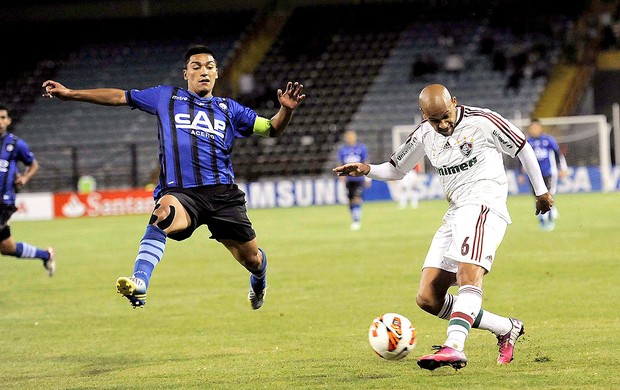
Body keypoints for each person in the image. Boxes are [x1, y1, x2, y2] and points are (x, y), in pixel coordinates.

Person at [42, 45, 305, 310]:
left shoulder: (230, 109)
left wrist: (287, 111)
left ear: (216, 74)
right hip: (181, 193)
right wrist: (71, 93)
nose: (204, 71)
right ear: (185, 74)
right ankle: (140, 281)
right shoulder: (166, 97)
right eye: (196, 67)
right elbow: (120, 97)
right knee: (162, 215)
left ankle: (259, 282)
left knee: (253, 260)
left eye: (210, 67)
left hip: (223, 195)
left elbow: (271, 128)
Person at [333, 84, 553, 370]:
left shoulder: (483, 121)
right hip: (455, 213)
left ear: (455, 103)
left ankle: (454, 346)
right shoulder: (424, 134)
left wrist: (541, 191)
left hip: (485, 206)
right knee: (428, 297)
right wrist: (367, 169)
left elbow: (522, 145)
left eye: (446, 116)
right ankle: (505, 327)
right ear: (424, 116)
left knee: (467, 275)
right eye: (435, 120)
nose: (443, 124)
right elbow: (396, 169)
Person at [0, 104, 56, 276]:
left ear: (8, 120)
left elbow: (33, 164)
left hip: (4, 202)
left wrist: (24, 178)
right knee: (7, 248)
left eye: (2, 117)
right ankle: (46, 255)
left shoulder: (16, 144)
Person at [519, 118, 568, 231]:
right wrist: (520, 173)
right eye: (533, 127)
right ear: (529, 129)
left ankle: (550, 220)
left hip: (548, 173)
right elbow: (520, 158)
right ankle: (542, 220)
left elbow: (557, 154)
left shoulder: (548, 140)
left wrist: (562, 168)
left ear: (540, 128)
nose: (535, 129)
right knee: (537, 198)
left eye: (537, 127)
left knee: (548, 196)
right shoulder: (527, 142)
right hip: (533, 174)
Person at [337, 129, 370, 230]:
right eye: (348, 136)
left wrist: (368, 178)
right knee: (350, 200)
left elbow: (366, 162)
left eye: (351, 136)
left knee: (357, 198)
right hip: (349, 179)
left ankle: (356, 221)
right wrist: (341, 176)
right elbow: (340, 163)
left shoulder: (361, 148)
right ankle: (354, 217)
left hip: (359, 178)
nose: (350, 138)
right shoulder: (343, 150)